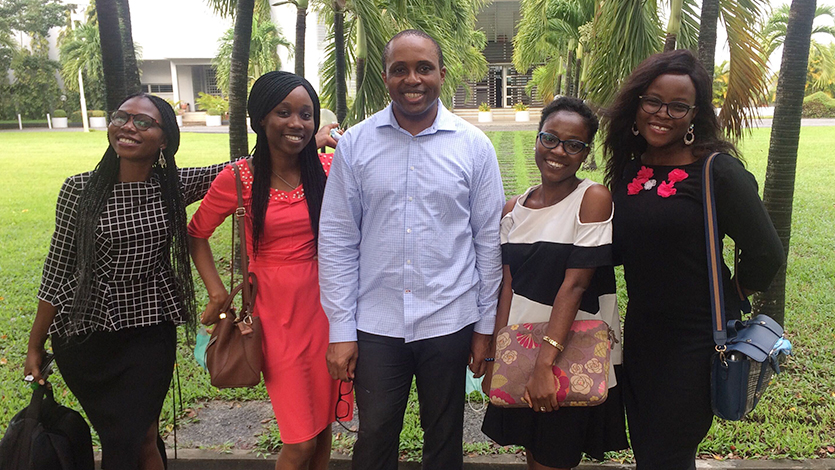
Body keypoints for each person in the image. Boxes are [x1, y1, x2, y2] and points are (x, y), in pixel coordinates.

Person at [318, 29, 504, 470]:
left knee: (444, 437)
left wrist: (485, 326)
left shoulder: (473, 146)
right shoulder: (356, 145)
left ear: (441, 73)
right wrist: (341, 329)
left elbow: (488, 241)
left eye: (423, 67)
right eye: (400, 69)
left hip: (449, 318)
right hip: (377, 322)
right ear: (386, 77)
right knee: (376, 434)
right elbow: (338, 239)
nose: (412, 78)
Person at [24, 92, 228, 470]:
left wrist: (309, 140)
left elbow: (239, 169)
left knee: (140, 435)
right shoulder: (79, 189)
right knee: (125, 435)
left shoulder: (173, 186)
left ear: (164, 139)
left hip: (149, 330)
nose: (128, 127)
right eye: (121, 117)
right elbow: (56, 269)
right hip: (85, 336)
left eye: (144, 122)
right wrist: (35, 345)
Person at [603, 49, 785, 470]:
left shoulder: (716, 172)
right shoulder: (632, 170)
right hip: (645, 334)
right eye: (653, 100)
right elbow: (618, 248)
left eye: (678, 105)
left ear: (694, 114)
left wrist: (734, 291)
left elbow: (767, 252)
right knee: (649, 447)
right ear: (637, 104)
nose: (662, 113)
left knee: (669, 450)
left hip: (698, 340)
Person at [188, 71, 346, 470]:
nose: (297, 123)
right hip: (275, 318)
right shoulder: (239, 179)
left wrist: (340, 142)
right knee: (300, 443)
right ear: (261, 118)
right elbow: (196, 234)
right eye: (284, 112)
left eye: (306, 114)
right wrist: (217, 292)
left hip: (328, 312)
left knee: (324, 426)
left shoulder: (328, 170)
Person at [480, 96, 628, 470]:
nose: (558, 151)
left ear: (585, 153)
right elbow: (508, 287)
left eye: (573, 144)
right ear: (537, 139)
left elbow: (575, 287)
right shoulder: (513, 209)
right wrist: (498, 358)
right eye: (550, 139)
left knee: (554, 459)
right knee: (534, 453)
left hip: (566, 353)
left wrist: (545, 365)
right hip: (523, 351)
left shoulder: (592, 199)